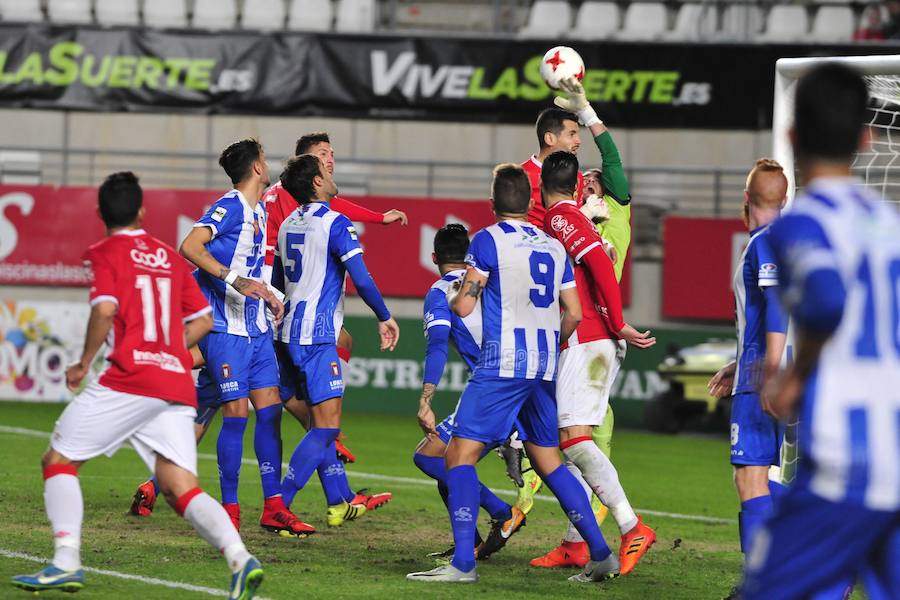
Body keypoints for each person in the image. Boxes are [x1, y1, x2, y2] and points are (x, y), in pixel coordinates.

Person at [11, 172, 264, 600]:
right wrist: (168, 351)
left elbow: (105, 309)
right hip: (173, 381)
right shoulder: (167, 255)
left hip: (130, 377)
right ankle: (241, 559)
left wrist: (83, 362)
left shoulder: (104, 251)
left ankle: (65, 561)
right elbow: (203, 319)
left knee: (58, 459)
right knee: (178, 486)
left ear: (99, 214)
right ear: (142, 211)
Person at [406, 163, 619, 584]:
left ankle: (463, 564)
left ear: (492, 203)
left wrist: (454, 301)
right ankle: (601, 554)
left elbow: (465, 306)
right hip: (543, 367)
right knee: (549, 462)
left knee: (458, 457)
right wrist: (545, 344)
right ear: (531, 202)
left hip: (502, 364)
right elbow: (574, 313)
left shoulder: (486, 241)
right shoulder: (552, 246)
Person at [742, 63, 900, 600]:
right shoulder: (891, 226)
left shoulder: (800, 226)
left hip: (845, 465)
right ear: (865, 136)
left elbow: (827, 300)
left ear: (791, 135)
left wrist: (794, 376)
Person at [175, 138, 313, 538]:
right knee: (236, 414)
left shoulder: (258, 213)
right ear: (256, 168)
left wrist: (268, 293)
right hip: (225, 332)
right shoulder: (231, 205)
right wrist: (233, 279)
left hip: (255, 333)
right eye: (265, 160)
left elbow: (254, 267)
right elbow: (189, 246)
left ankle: (273, 508)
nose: (268, 166)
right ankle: (229, 512)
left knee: (269, 413)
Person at [263, 132, 401, 509]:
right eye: (325, 162)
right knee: (326, 426)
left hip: (288, 331)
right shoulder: (335, 223)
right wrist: (385, 316)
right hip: (318, 335)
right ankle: (279, 504)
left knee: (320, 423)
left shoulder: (290, 222)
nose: (331, 166)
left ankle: (341, 501)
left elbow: (277, 282)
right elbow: (363, 276)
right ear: (317, 182)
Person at [534, 150, 657, 574]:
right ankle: (578, 544)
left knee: (573, 437)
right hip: (591, 338)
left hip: (590, 337)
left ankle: (630, 525)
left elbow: (600, 262)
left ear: (544, 185)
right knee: (570, 439)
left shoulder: (562, 216)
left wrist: (618, 323)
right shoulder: (577, 215)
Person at [414, 223, 525, 561]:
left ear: (434, 257)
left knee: (428, 456)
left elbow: (436, 346)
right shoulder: (489, 281)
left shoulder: (440, 292)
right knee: (447, 466)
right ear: (468, 255)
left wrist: (426, 400)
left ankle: (504, 513)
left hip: (491, 385)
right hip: (524, 374)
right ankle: (472, 541)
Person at [707, 159, 789, 572]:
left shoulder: (764, 244)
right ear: (785, 199)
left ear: (745, 199)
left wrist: (768, 369)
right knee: (757, 479)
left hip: (765, 375)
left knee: (749, 479)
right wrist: (737, 362)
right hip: (766, 366)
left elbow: (778, 308)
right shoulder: (781, 241)